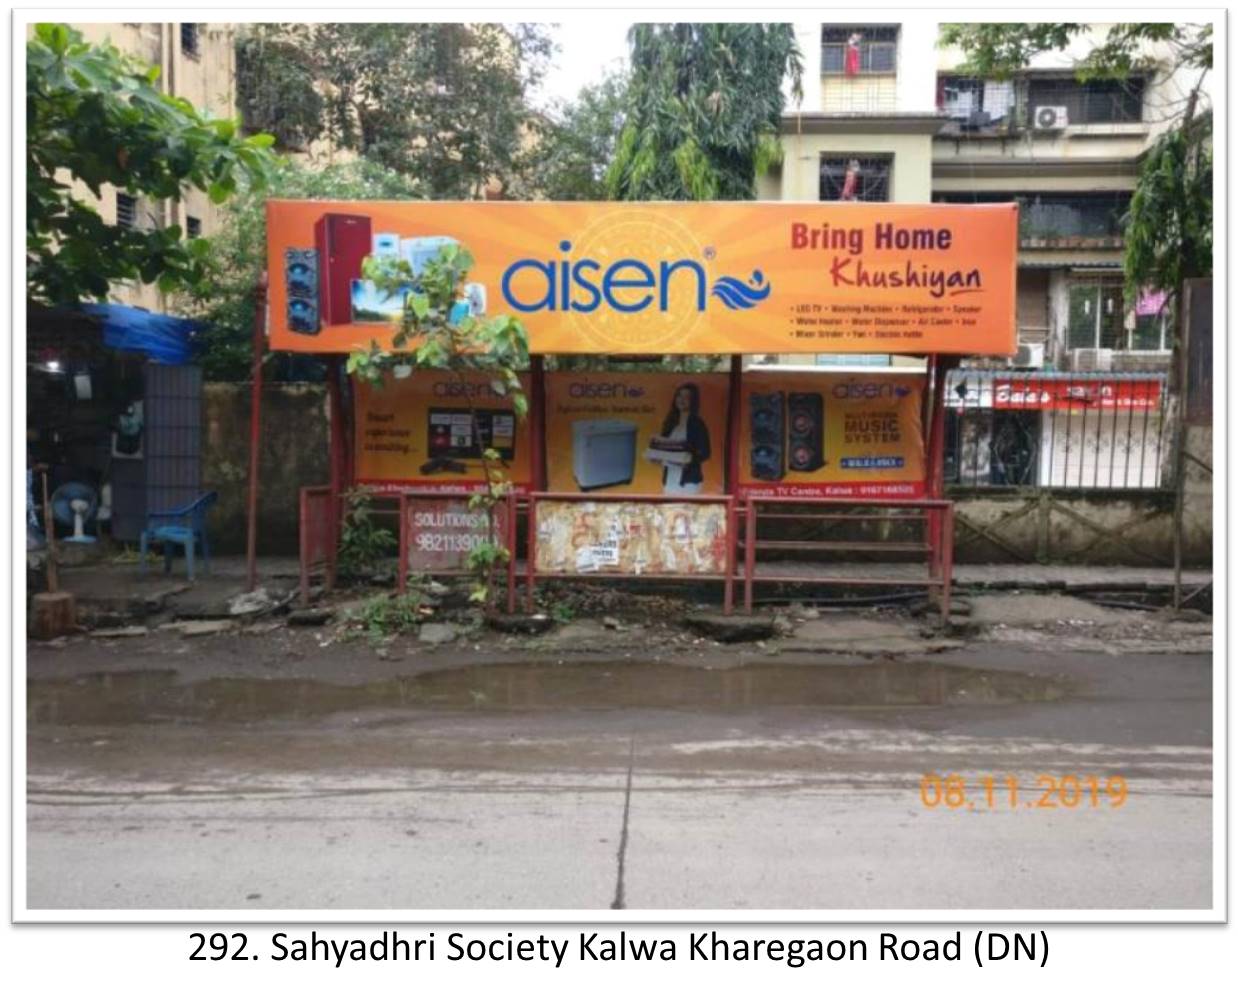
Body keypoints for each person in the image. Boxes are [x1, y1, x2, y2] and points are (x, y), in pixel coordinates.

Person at [649, 383, 711, 495]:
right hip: (669, 481)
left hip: (688, 483)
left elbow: (705, 453)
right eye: (679, 396)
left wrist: (689, 460)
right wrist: (655, 455)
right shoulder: (670, 422)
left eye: (686, 397)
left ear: (693, 401)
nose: (682, 400)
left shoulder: (697, 423)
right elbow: (664, 450)